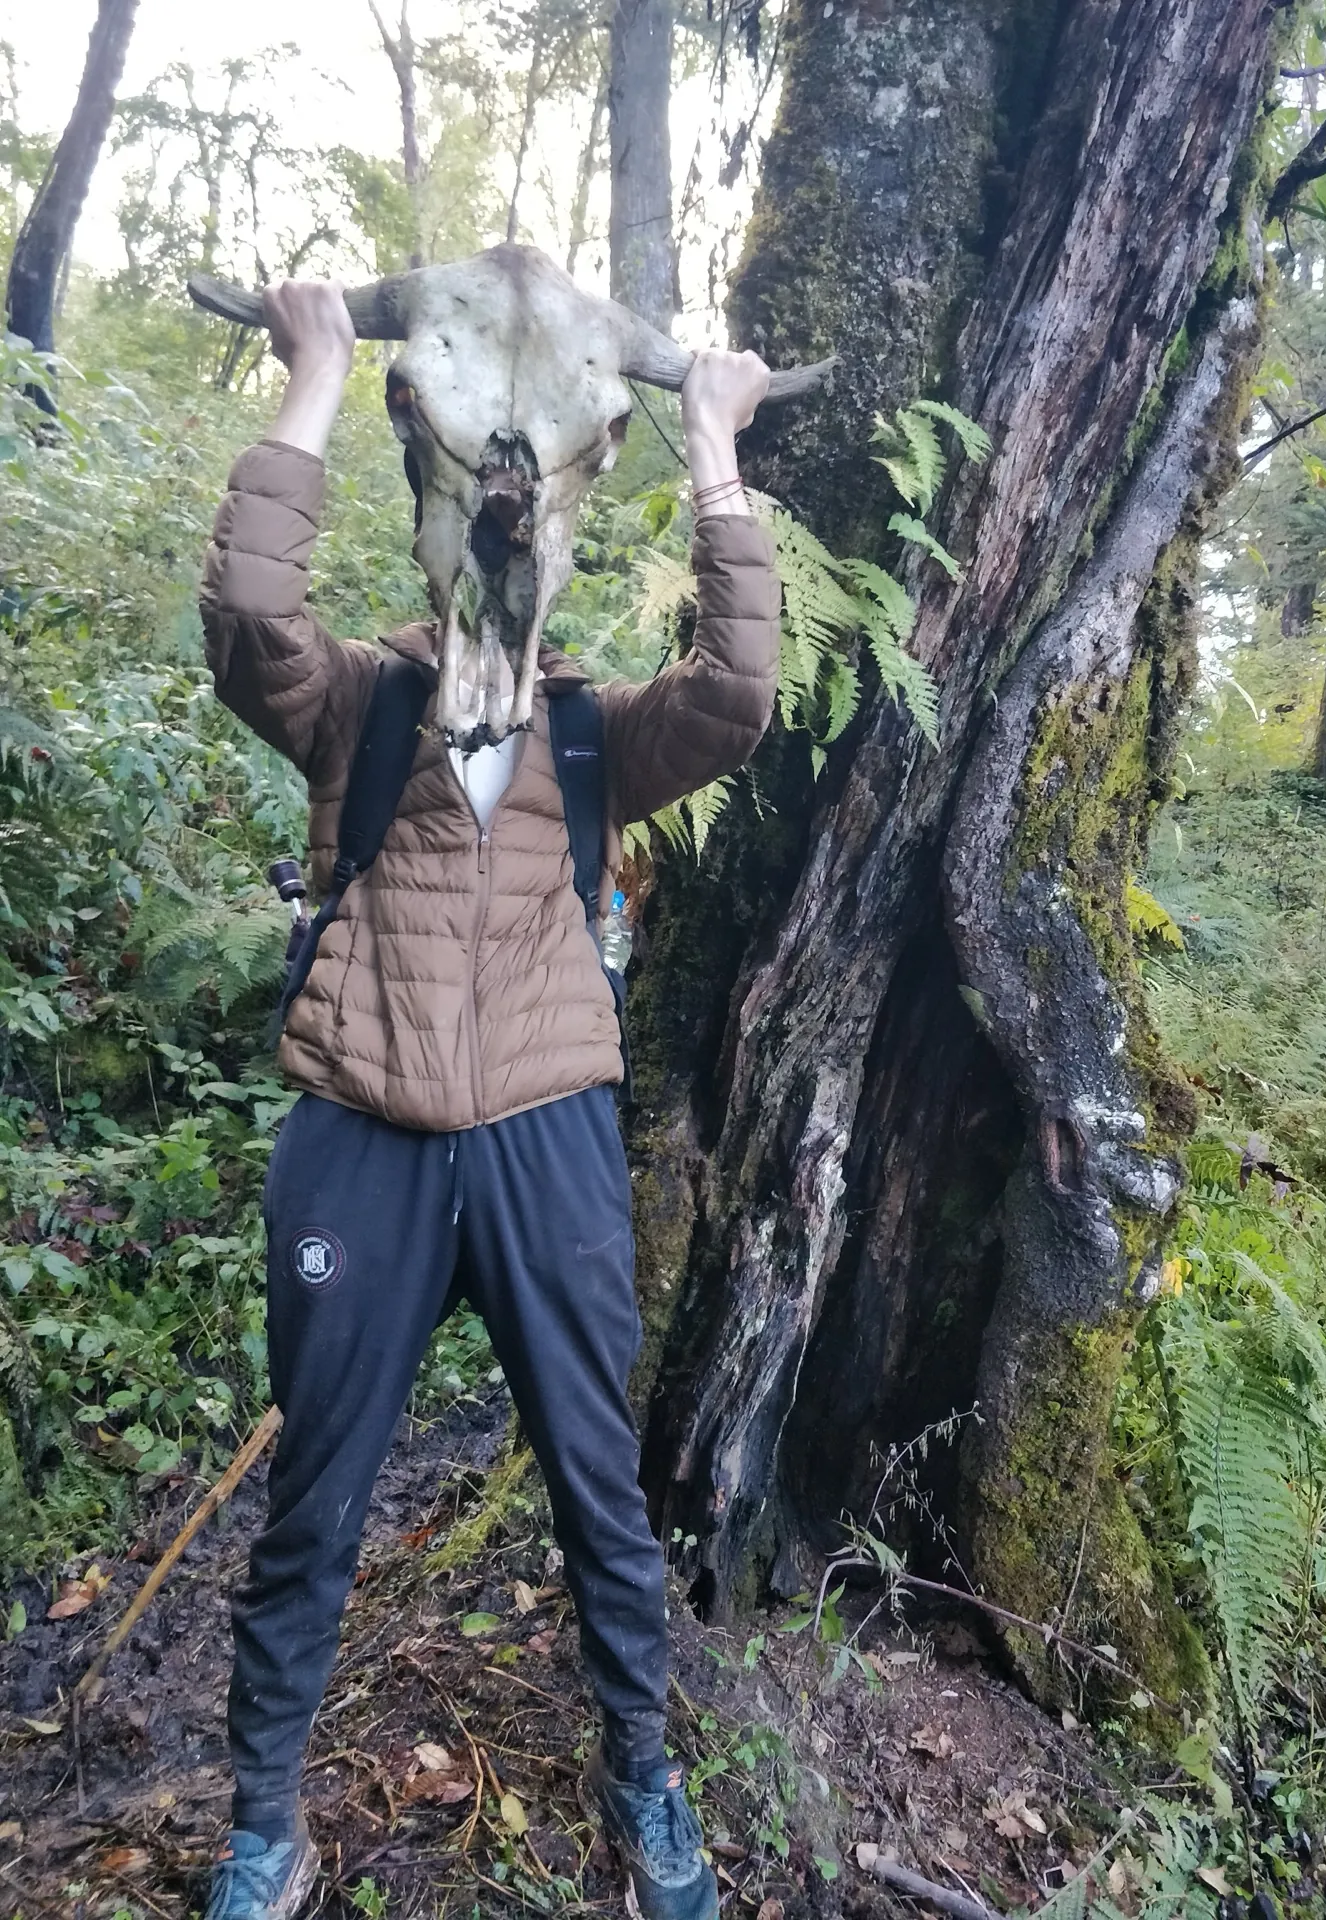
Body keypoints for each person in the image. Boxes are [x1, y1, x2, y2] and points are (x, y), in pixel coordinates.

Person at [199, 279, 779, 1920]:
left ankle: (644, 1785)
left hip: (547, 1143)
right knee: (315, 1493)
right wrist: (315, 379)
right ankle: (263, 1826)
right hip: (358, 1142)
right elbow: (247, 619)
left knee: (601, 1484)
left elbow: (739, 691)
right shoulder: (355, 707)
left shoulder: (597, 737)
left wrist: (713, 448)